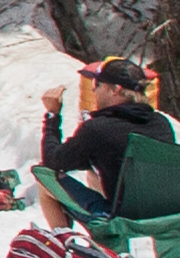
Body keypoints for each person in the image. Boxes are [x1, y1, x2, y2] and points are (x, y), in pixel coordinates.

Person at [31, 54, 170, 228]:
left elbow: (53, 161)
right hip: (165, 216)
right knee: (93, 174)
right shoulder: (161, 123)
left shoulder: (97, 129)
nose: (93, 91)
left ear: (116, 90)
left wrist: (52, 116)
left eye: (98, 85)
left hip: (123, 220)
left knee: (45, 178)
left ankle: (64, 242)